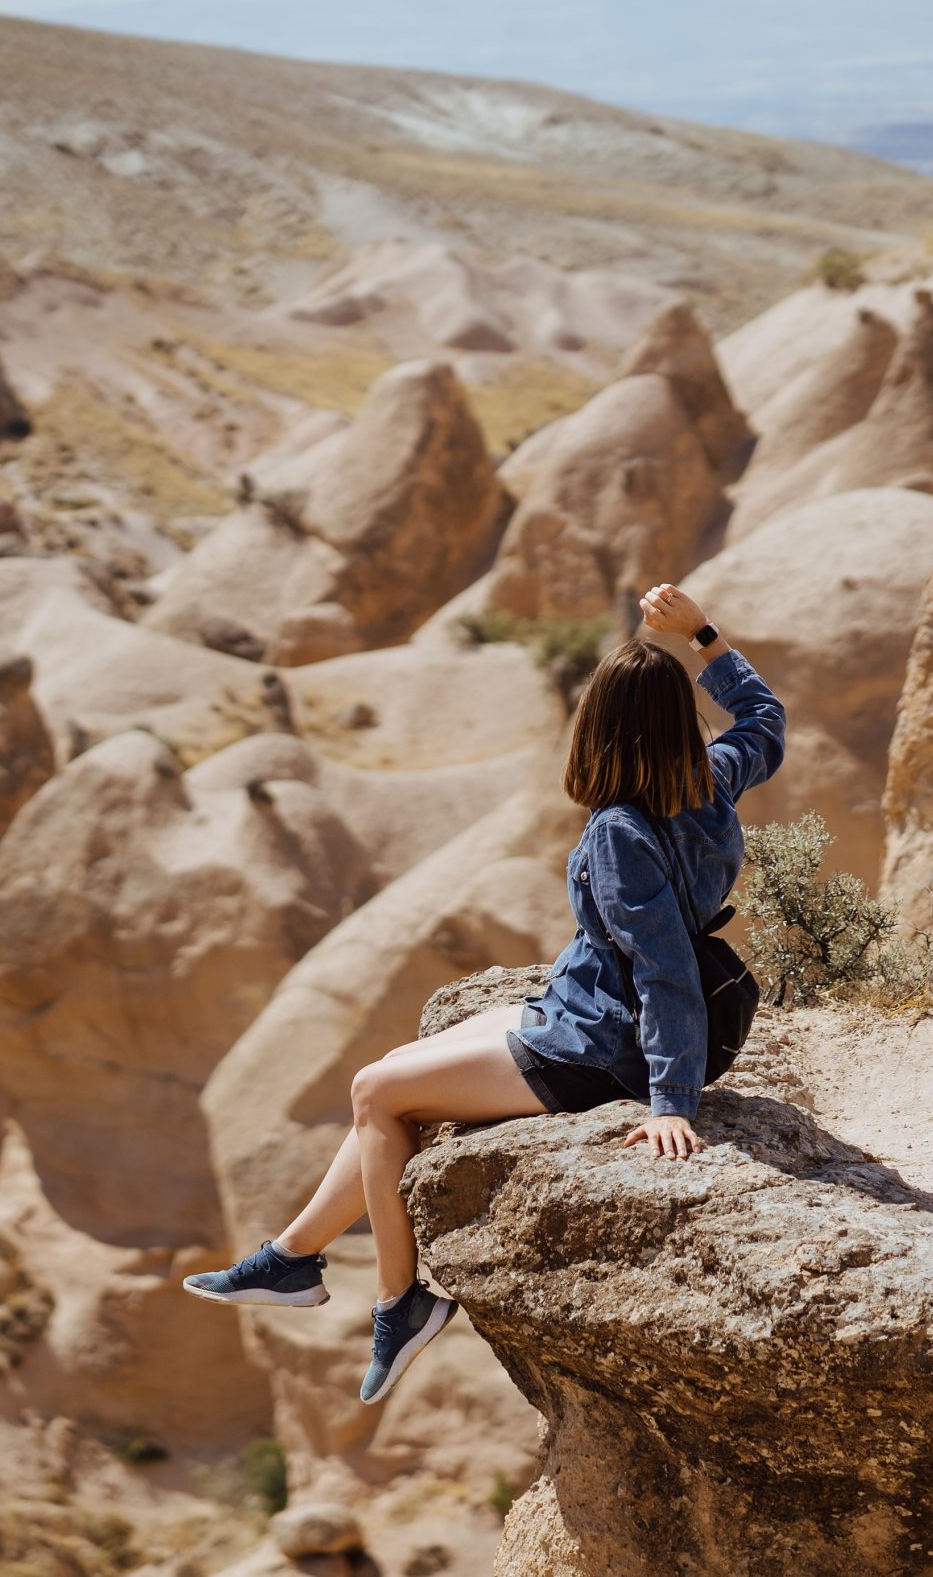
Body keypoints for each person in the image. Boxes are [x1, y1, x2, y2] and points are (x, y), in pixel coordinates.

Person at [183, 582, 786, 1405]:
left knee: (376, 1092)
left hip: (597, 1048)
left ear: (601, 728)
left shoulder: (621, 830)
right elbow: (763, 720)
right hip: (581, 1008)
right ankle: (291, 1258)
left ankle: (402, 1303)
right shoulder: (712, 778)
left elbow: (666, 968)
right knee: (400, 1065)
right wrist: (703, 637)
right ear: (679, 726)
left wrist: (670, 1101)